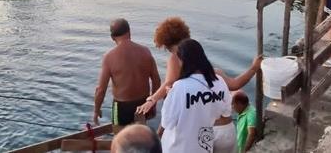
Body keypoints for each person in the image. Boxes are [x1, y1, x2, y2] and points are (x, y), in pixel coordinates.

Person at [135, 17, 261, 153]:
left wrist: (152, 99)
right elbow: (234, 87)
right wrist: (253, 68)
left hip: (194, 134)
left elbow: (169, 90)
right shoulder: (216, 77)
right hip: (221, 131)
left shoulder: (176, 73)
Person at [160, 39, 232, 153]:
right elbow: (225, 112)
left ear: (183, 60)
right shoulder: (220, 82)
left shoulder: (179, 87)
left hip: (178, 147)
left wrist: (169, 97)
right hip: (204, 146)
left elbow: (167, 122)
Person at [94, 19, 161, 127]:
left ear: (112, 37)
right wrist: (152, 103)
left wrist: (96, 110)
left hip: (121, 107)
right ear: (129, 32)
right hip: (143, 103)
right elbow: (156, 80)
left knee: (120, 140)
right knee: (140, 138)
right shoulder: (145, 51)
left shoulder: (109, 57)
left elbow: (100, 90)